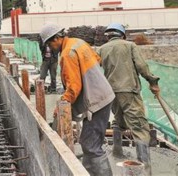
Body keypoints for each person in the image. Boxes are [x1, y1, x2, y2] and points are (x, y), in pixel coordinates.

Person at [40, 23, 114, 176]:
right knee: (89, 143)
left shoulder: (68, 53)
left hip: (97, 101)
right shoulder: (78, 42)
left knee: (92, 146)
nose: (50, 48)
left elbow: (74, 87)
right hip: (102, 96)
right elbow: (97, 59)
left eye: (49, 43)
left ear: (56, 39)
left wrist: (61, 104)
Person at [98, 23, 160, 175]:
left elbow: (95, 69)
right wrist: (152, 81)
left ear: (108, 36)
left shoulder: (101, 49)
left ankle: (117, 151)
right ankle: (144, 167)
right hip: (128, 91)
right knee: (139, 126)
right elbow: (142, 66)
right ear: (122, 34)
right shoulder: (130, 46)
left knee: (118, 121)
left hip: (111, 93)